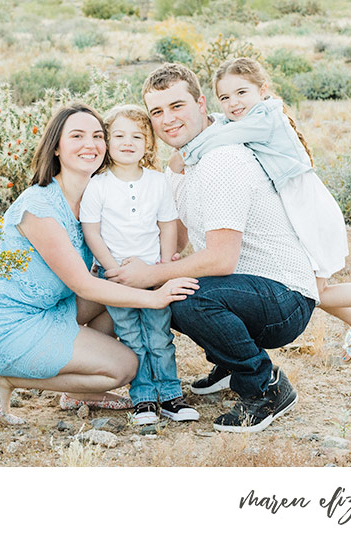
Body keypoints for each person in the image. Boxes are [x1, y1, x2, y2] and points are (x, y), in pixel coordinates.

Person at [107, 63, 316, 433]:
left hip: (285, 298)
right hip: (248, 288)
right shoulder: (186, 161)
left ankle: (264, 387)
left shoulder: (222, 161)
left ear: (201, 103)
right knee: (166, 287)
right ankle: (229, 364)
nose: (167, 119)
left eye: (177, 106)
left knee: (183, 296)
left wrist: (152, 275)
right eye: (157, 111)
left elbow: (221, 258)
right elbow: (182, 238)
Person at [0, 103, 199, 425]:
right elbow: (83, 285)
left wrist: (176, 174)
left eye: (98, 135)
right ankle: (4, 378)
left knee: (119, 281)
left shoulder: (96, 194)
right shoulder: (39, 206)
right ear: (56, 147)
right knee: (124, 367)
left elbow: (162, 234)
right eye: (77, 136)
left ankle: (76, 386)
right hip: (5, 325)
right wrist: (155, 296)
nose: (90, 144)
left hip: (50, 308)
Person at [168, 57, 351, 361]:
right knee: (310, 287)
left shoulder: (265, 117)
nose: (233, 103)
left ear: (263, 90)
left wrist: (183, 153)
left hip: (308, 208)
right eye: (225, 97)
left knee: (312, 290)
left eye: (242, 93)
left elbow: (220, 135)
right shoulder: (244, 119)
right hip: (292, 208)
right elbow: (219, 124)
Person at [79, 104, 198, 426]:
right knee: (130, 334)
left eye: (137, 135)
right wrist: (110, 269)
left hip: (153, 274)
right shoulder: (98, 184)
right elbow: (92, 231)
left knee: (159, 335)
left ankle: (171, 395)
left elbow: (167, 224)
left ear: (148, 144)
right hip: (115, 278)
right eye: (119, 135)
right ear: (106, 140)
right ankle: (143, 398)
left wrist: (164, 262)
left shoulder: (157, 182)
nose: (128, 142)